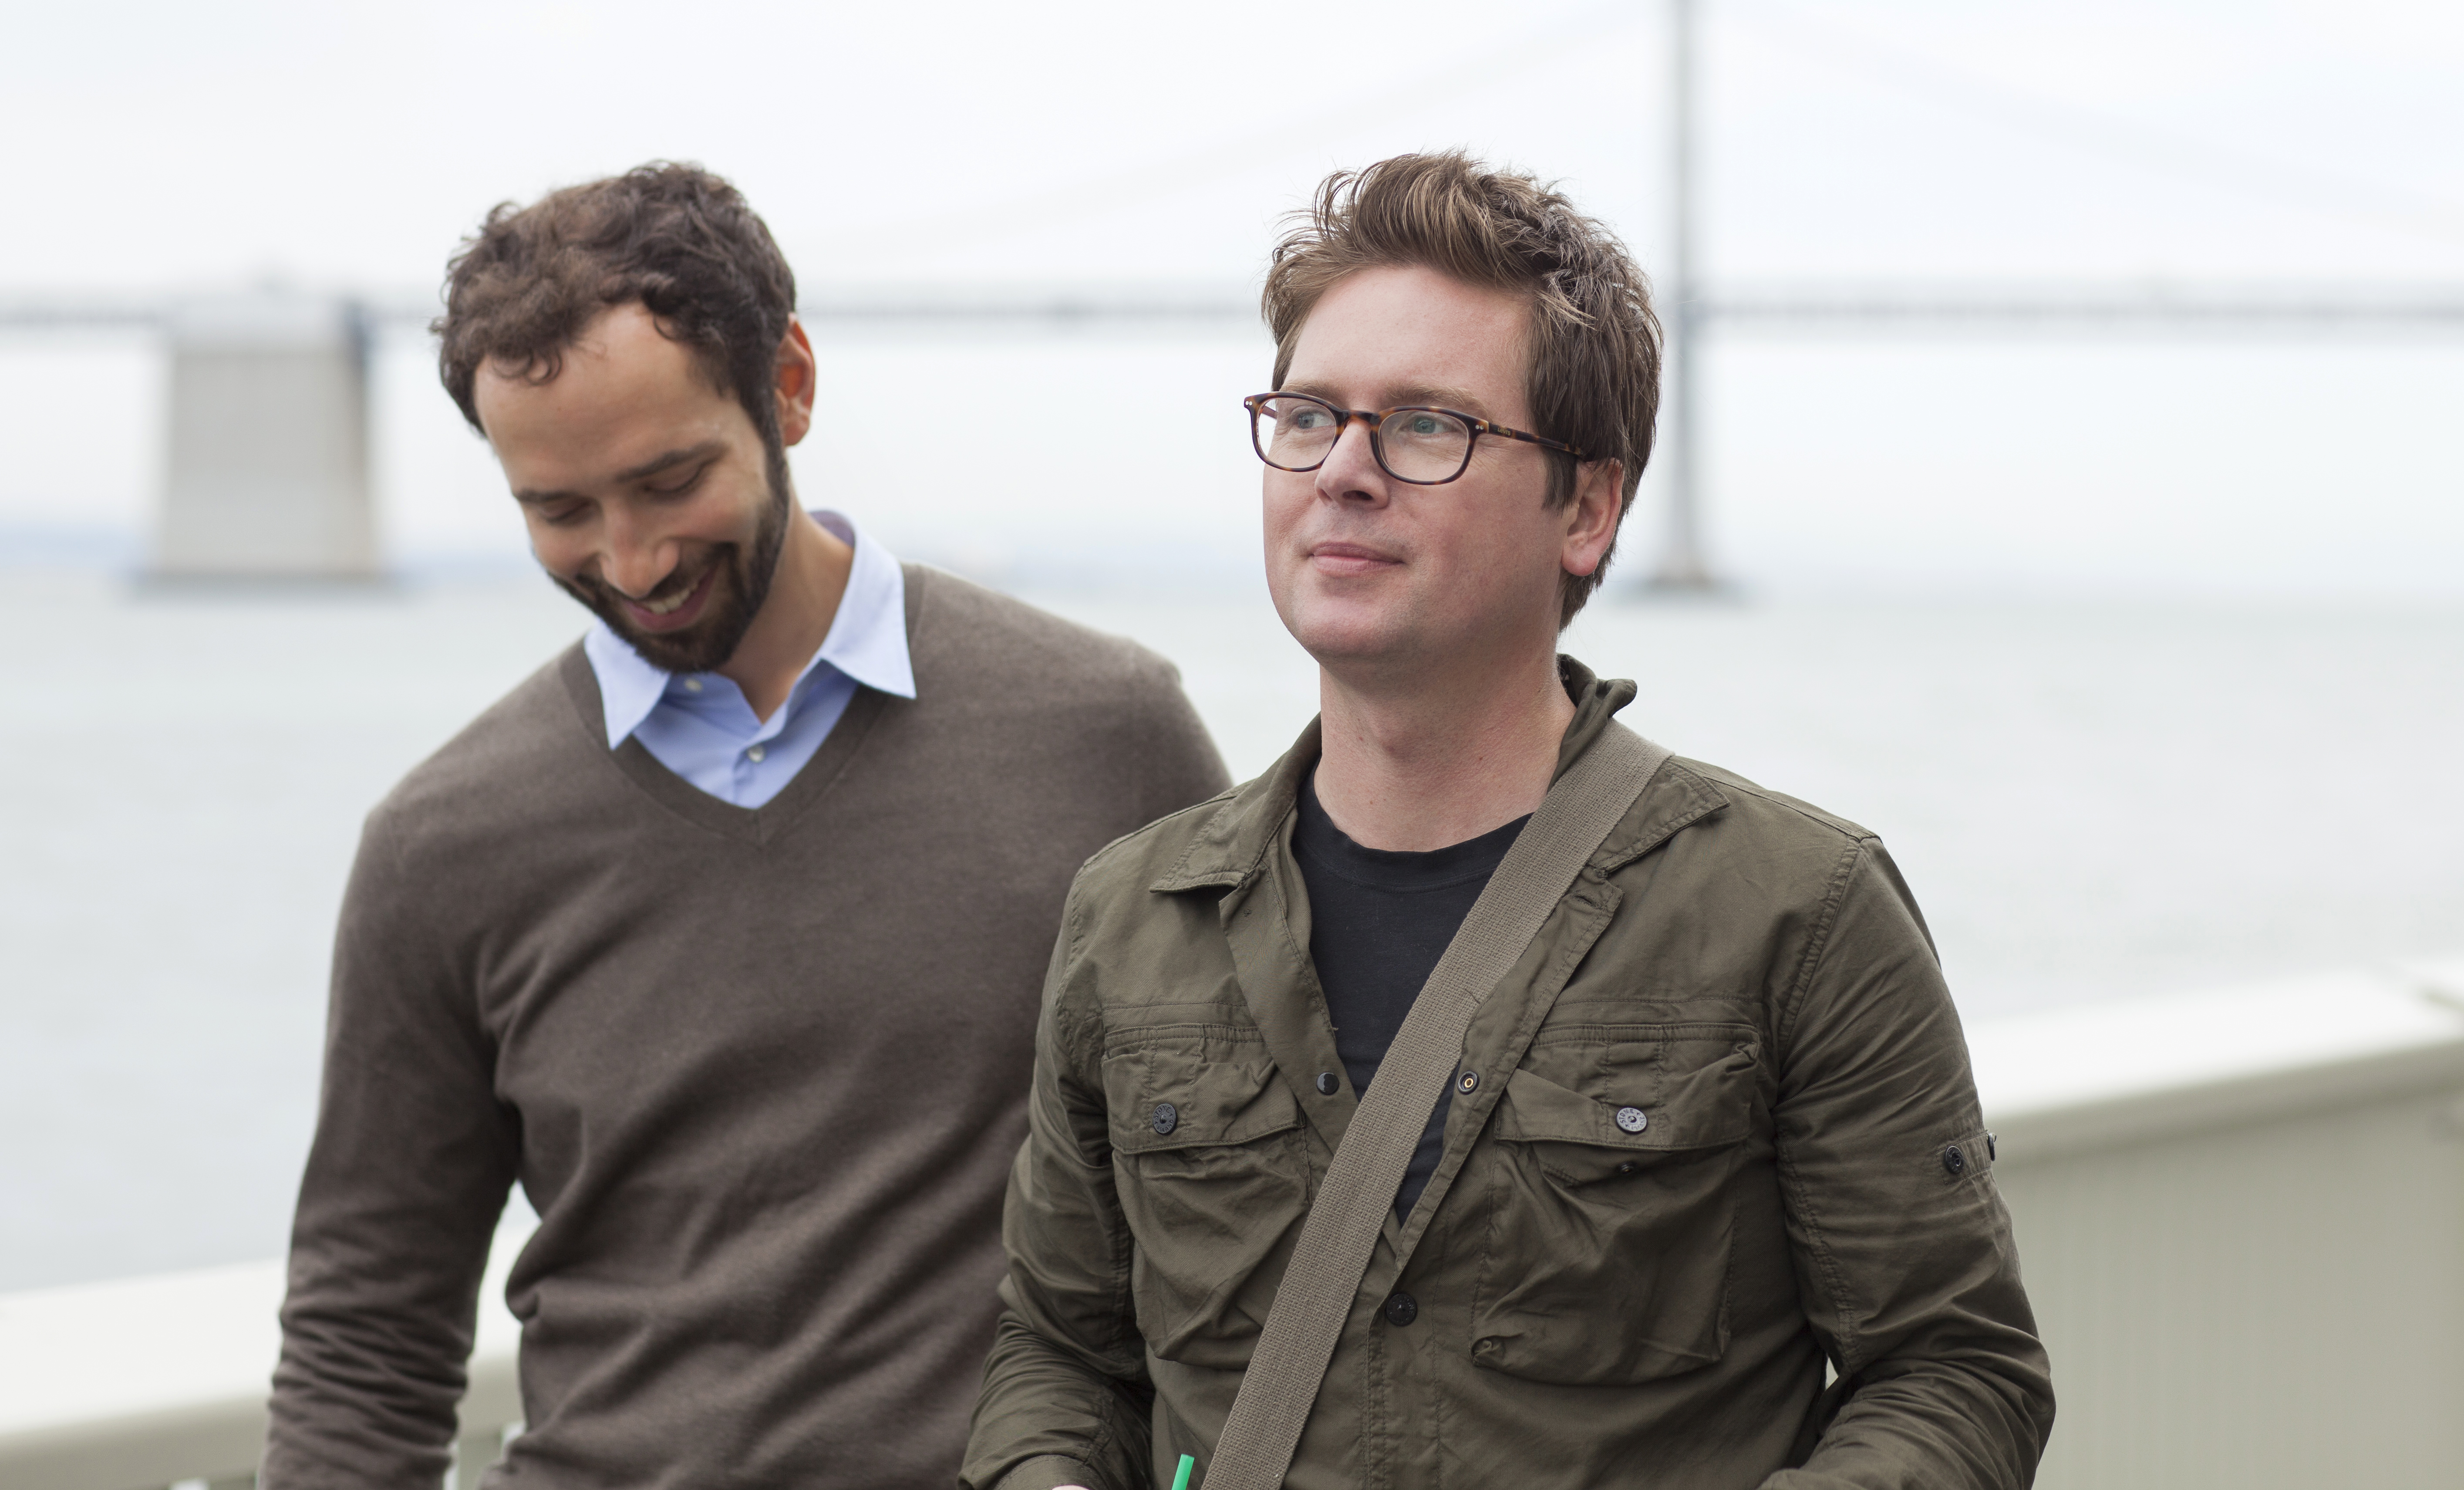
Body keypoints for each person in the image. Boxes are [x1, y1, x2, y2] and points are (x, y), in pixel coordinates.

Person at [963, 152, 2052, 1490]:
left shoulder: (1799, 913)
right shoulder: (1130, 919)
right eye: (1309, 415)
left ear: (1587, 509)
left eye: (1428, 426)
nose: (1344, 472)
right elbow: (1061, 1352)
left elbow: (1954, 1373)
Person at [263, 163, 1228, 1490]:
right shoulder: (441, 844)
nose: (633, 559)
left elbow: (1251, 1199)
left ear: (789, 386)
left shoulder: (1107, 736)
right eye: (560, 512)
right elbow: (366, 1337)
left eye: (669, 481)